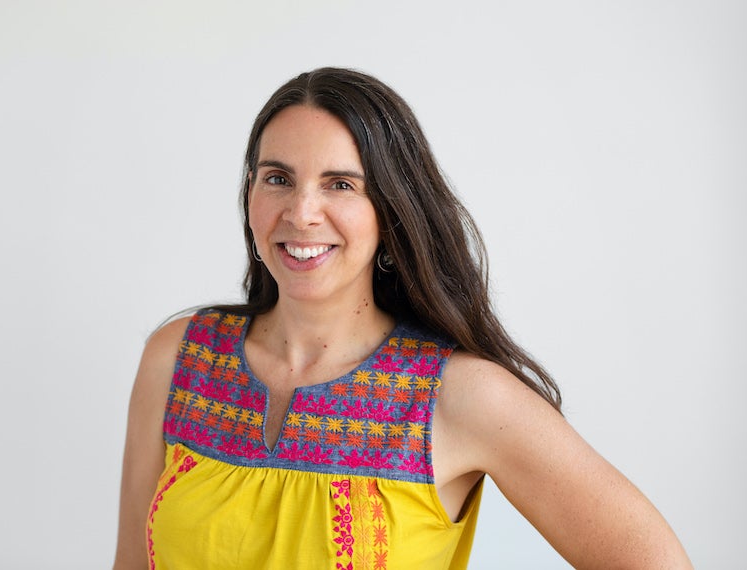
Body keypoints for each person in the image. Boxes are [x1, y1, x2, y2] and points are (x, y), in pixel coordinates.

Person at [114, 67, 692, 569]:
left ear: (389, 210)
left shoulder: (459, 396)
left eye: (340, 184)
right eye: (278, 178)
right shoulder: (177, 357)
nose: (301, 212)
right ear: (250, 193)